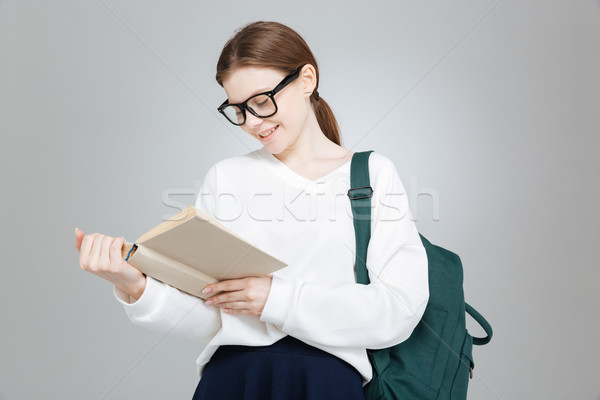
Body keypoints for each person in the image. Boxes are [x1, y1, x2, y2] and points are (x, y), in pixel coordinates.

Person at [75, 21, 429, 400]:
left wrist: (276, 299)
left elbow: (399, 309)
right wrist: (135, 285)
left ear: (307, 79)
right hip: (231, 381)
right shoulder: (227, 178)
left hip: (324, 384)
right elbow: (213, 315)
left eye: (261, 101)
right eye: (238, 110)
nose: (253, 123)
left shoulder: (372, 175)